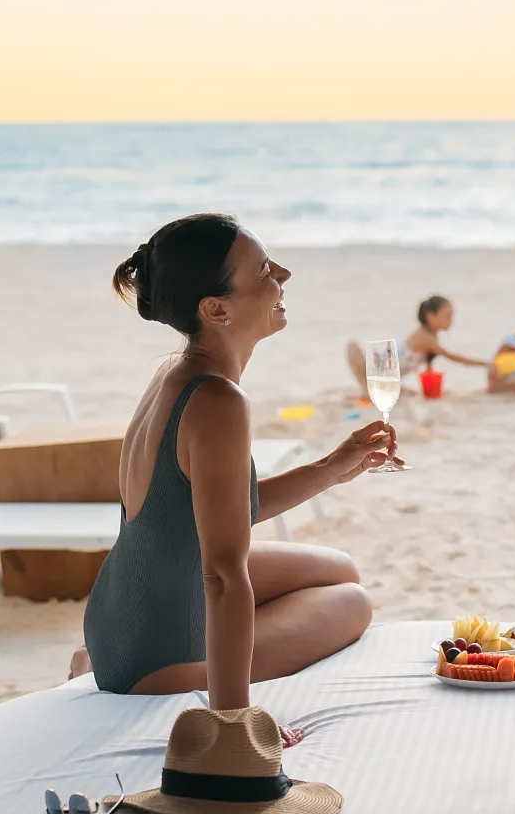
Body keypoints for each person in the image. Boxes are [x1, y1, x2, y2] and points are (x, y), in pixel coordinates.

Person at [77, 214, 399, 713]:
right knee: (352, 602)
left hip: (121, 612)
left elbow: (215, 509)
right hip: (158, 653)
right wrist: (233, 719)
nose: (284, 276)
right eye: (265, 270)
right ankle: (140, 673)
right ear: (215, 308)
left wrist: (332, 467)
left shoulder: (176, 373)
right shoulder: (217, 401)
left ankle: (97, 657)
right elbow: (223, 577)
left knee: (341, 567)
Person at [344, 294, 487, 399]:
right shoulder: (425, 337)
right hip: (376, 372)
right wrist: (485, 364)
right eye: (447, 316)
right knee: (352, 346)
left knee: (412, 395)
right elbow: (455, 358)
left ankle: (369, 391)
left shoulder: (431, 337)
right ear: (431, 316)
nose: (451, 321)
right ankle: (366, 389)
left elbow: (429, 371)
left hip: (388, 379)